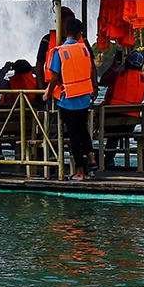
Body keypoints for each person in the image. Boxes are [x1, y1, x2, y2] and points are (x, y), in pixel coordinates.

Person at [47, 20, 98, 179]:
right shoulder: (84, 50)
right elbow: (90, 70)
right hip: (83, 96)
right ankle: (91, 157)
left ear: (65, 32)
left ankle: (80, 172)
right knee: (83, 129)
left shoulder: (60, 51)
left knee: (74, 135)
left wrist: (47, 93)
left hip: (68, 98)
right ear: (79, 34)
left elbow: (55, 76)